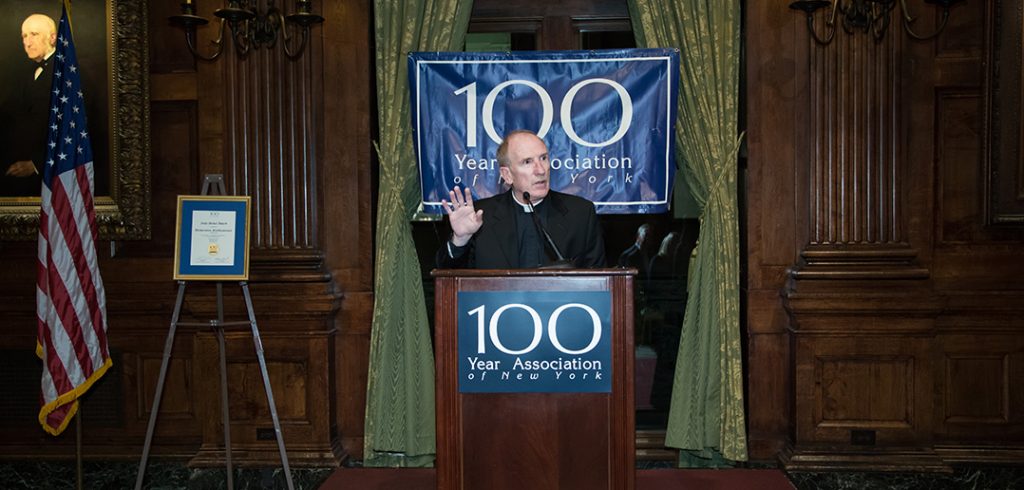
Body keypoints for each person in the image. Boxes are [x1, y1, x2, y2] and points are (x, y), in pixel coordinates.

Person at [436, 129, 605, 269]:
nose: (540, 170)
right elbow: (450, 278)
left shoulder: (580, 213)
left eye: (543, 158)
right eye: (527, 162)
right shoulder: (481, 217)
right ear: (507, 175)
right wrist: (460, 239)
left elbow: (600, 281)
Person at [1, 14, 57, 196]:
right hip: (14, 169)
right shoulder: (25, 73)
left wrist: (35, 164)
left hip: (48, 177)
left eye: (34, 34)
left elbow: (77, 130)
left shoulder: (68, 73)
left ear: (53, 38)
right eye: (24, 36)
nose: (27, 42)